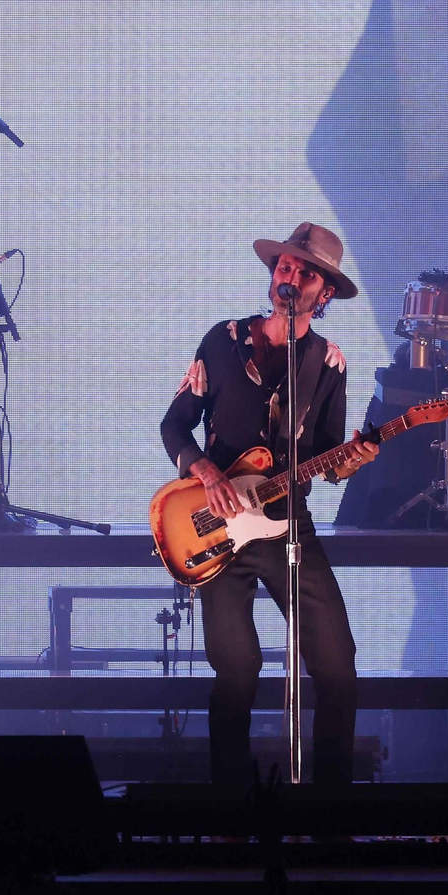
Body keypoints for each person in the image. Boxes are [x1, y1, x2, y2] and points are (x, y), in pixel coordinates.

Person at [160, 223, 379, 787]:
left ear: (323, 293)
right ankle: (232, 806)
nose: (292, 275)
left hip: (288, 528)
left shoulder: (329, 363)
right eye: (286, 264)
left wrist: (354, 458)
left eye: (308, 272)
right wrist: (204, 469)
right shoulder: (222, 339)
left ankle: (331, 806)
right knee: (238, 669)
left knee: (336, 664)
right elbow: (175, 425)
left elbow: (329, 456)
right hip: (219, 530)